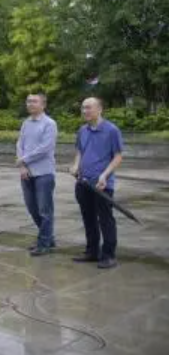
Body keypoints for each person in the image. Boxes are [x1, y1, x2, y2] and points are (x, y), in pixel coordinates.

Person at [70, 97, 124, 270]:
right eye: (83, 108)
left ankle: (108, 255)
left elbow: (118, 156)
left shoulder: (111, 130)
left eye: (88, 108)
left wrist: (105, 175)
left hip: (102, 184)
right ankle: (92, 251)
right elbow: (79, 151)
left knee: (105, 219)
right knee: (88, 218)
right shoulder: (82, 130)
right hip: (83, 182)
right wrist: (76, 165)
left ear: (100, 109)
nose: (85, 111)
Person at [16, 93, 58, 256]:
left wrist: (23, 160)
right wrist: (22, 165)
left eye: (34, 101)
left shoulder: (49, 124)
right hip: (26, 173)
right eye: (28, 101)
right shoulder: (26, 123)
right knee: (32, 208)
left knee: (44, 210)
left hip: (44, 173)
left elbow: (45, 148)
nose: (30, 104)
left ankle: (44, 243)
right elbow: (20, 143)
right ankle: (48, 238)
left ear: (43, 105)